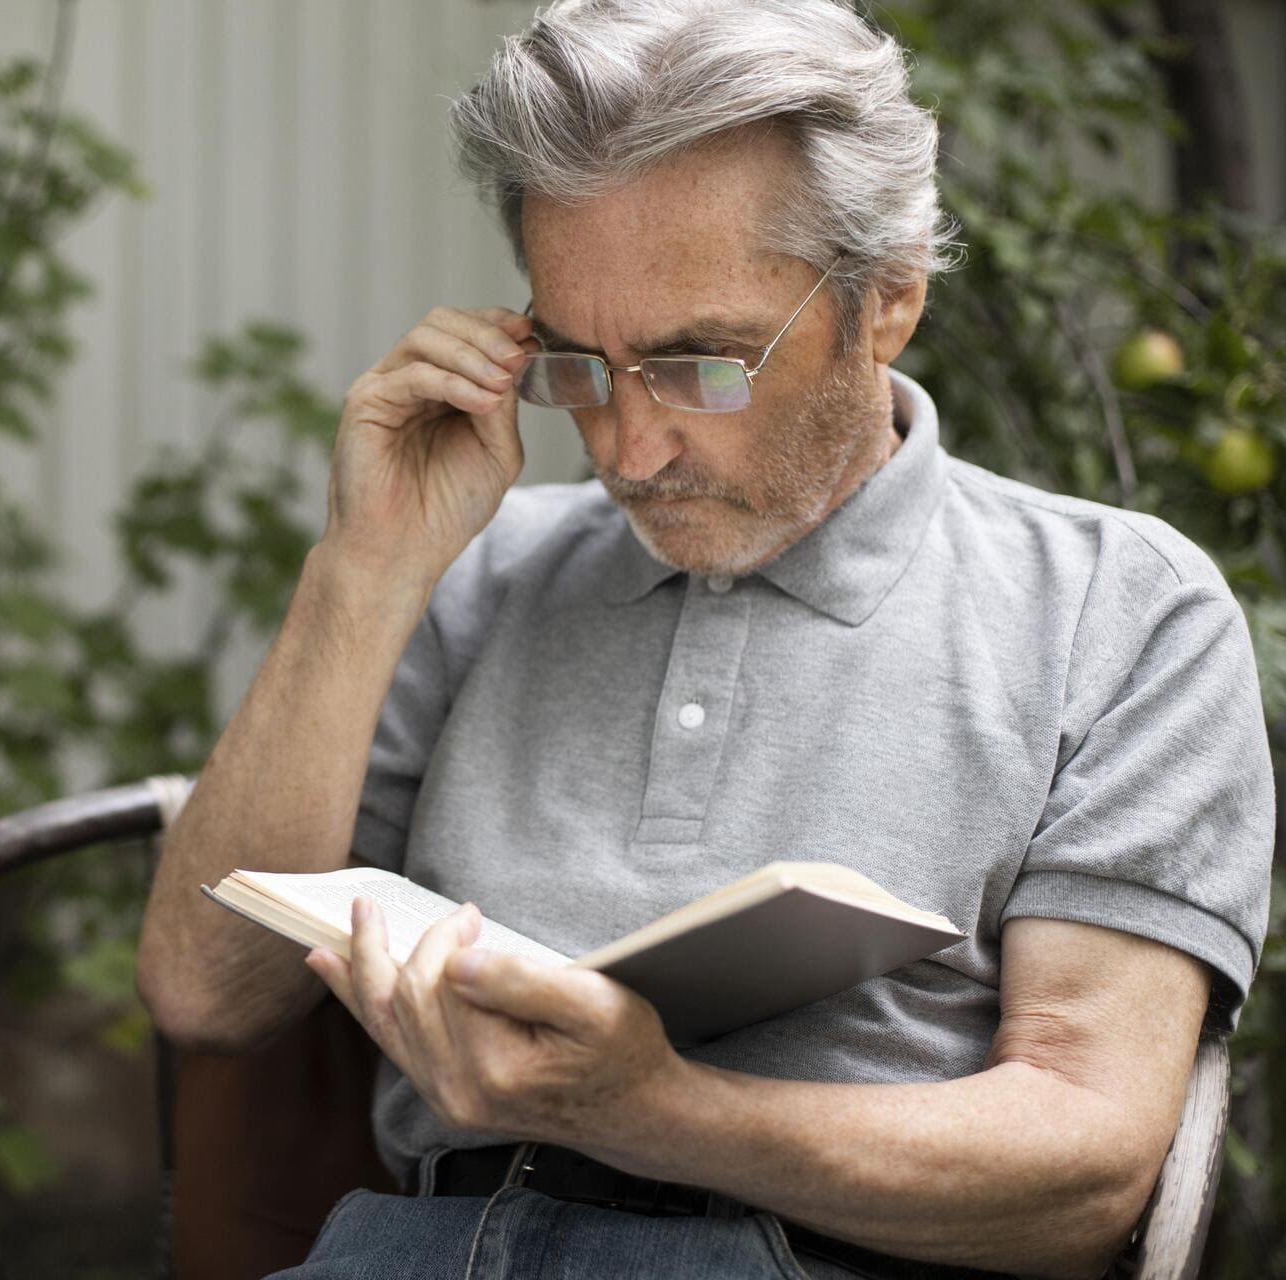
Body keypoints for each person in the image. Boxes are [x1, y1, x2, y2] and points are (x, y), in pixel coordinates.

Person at [135, 1, 1274, 1276]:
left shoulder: (1120, 610)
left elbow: (1086, 1163)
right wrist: (364, 567)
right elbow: (208, 993)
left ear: (887, 297)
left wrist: (653, 1110)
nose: (629, 447)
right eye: (574, 364)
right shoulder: (479, 572)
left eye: (701, 363)